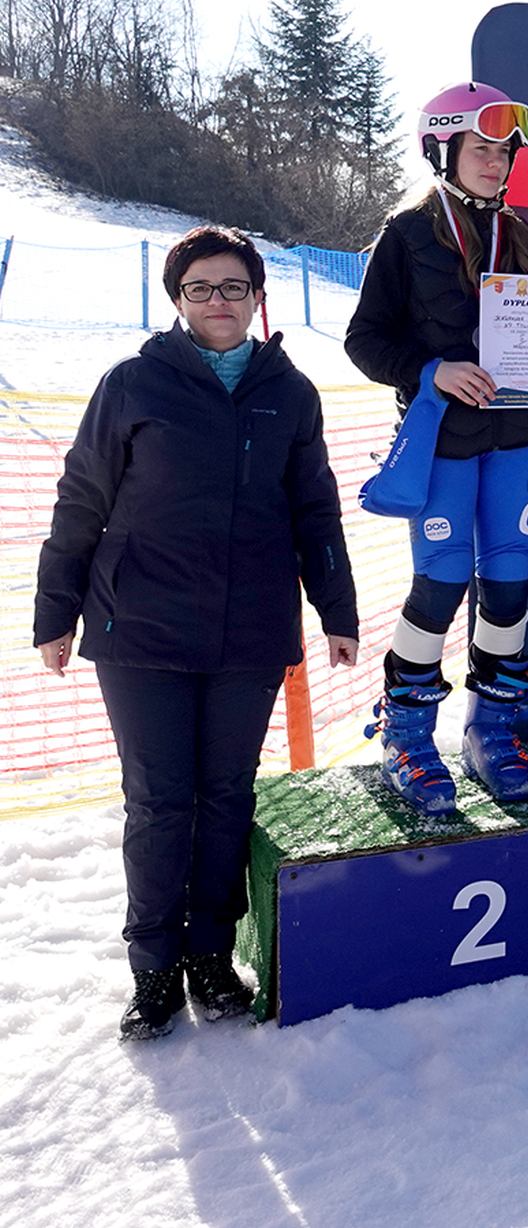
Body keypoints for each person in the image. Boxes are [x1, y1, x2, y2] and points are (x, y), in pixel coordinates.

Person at [35, 226, 359, 1040]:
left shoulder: (290, 393)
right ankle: (153, 969)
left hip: (249, 631)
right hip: (141, 628)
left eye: (234, 286)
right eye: (201, 288)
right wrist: (56, 612)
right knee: (157, 800)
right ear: (178, 300)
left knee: (225, 797)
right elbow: (81, 499)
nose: (219, 301)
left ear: (258, 296)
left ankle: (211, 954)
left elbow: (315, 508)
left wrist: (337, 611)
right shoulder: (134, 384)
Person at [346, 82, 528, 814]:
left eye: (504, 151)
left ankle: (491, 728)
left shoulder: (522, 234)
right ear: (442, 150)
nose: (495, 162)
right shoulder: (407, 233)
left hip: (516, 438)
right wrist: (431, 372)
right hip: (445, 441)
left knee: (509, 586)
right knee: (441, 584)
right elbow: (363, 340)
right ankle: (407, 737)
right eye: (481, 148)